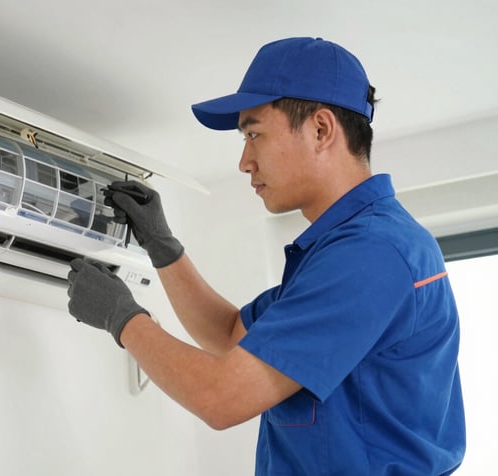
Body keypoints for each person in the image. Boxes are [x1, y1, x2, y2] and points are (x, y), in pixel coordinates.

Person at [66, 37, 466, 475]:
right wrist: (163, 247)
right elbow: (232, 334)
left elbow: (222, 399)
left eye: (254, 134)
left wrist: (121, 319)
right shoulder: (348, 249)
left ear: (320, 129)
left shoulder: (370, 254)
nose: (244, 161)